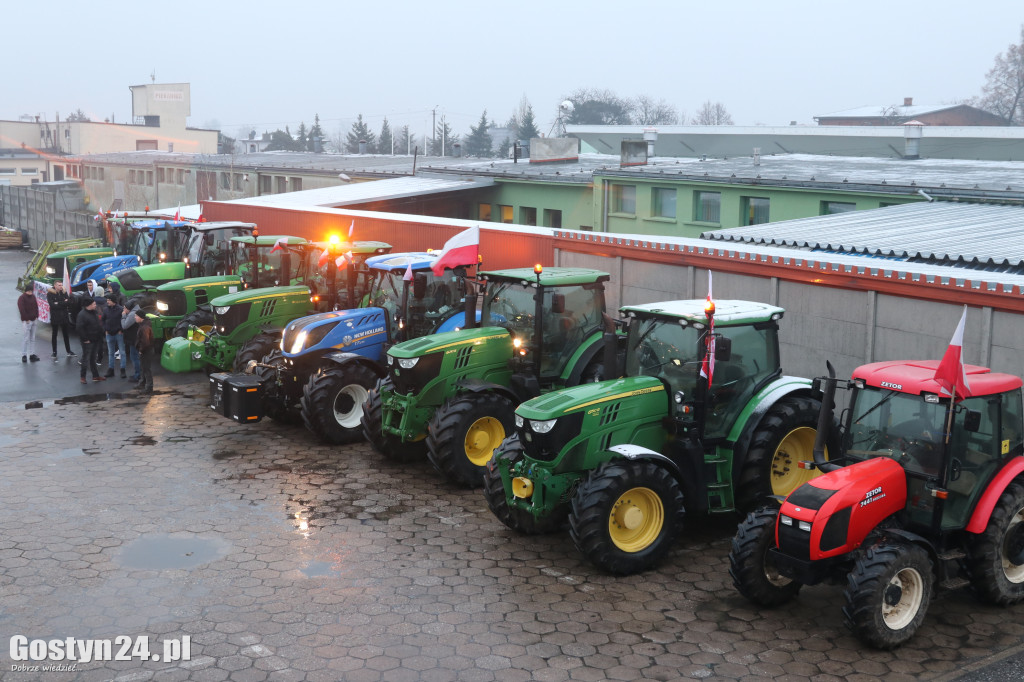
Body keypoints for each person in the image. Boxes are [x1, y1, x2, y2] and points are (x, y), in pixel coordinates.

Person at [76, 298, 104, 383]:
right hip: (88, 341)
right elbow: (79, 328)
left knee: (93, 358)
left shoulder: (94, 312)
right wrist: (85, 339)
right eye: (94, 304)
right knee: (86, 358)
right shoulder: (82, 315)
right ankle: (83, 377)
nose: (96, 305)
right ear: (89, 305)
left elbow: (98, 323)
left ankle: (95, 376)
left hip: (96, 338)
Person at [46, 282, 76, 358]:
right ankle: (54, 352)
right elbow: (52, 305)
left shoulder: (64, 292)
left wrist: (58, 303)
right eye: (59, 285)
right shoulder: (50, 294)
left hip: (64, 317)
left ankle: (68, 351)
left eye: (61, 285)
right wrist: (63, 303)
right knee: (54, 334)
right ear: (55, 286)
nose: (61, 286)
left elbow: (68, 302)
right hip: (55, 317)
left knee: (66, 334)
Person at [102, 295, 128, 378]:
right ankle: (111, 370)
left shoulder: (120, 309)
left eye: (109, 300)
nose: (107, 301)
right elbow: (103, 320)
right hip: (109, 334)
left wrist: (121, 330)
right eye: (107, 300)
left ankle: (123, 370)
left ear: (114, 301)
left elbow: (124, 320)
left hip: (118, 333)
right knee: (110, 353)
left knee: (122, 352)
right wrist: (105, 330)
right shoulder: (106, 309)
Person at [18, 284, 40, 363]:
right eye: (29, 291)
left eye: (31, 291)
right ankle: (24, 355)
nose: (30, 292)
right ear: (26, 291)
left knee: (32, 338)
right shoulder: (22, 298)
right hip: (27, 321)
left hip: (34, 320)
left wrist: (37, 316)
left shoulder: (33, 296)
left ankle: (32, 354)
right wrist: (26, 319)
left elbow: (36, 307)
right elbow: (22, 309)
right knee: (26, 338)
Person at [135, 309, 154, 394]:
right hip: (147, 350)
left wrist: (141, 350)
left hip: (146, 351)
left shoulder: (144, 327)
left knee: (146, 369)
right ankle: (143, 383)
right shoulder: (144, 325)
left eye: (136, 316)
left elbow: (145, 342)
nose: (135, 318)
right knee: (144, 368)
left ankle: (149, 387)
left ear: (140, 317)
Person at [122, 305, 142, 383]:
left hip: (133, 341)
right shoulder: (133, 313)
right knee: (135, 357)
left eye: (124, 308)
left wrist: (123, 316)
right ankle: (138, 374)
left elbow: (125, 325)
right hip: (133, 340)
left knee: (135, 357)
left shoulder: (131, 315)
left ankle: (138, 375)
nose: (123, 310)